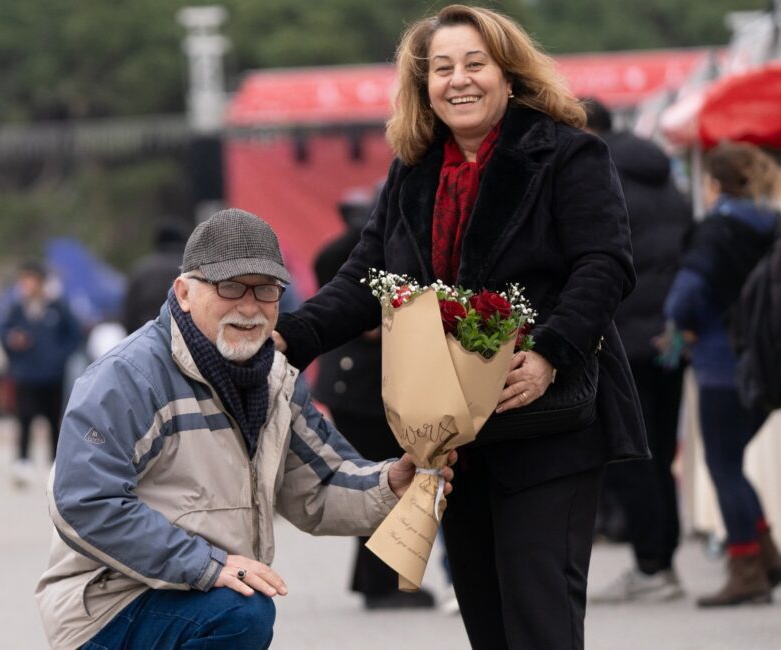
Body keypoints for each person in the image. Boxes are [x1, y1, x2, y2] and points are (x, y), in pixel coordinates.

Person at [271, 6, 647, 648]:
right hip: (454, 440)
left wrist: (551, 352)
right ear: (423, 85)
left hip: (548, 419)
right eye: (441, 68)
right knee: (487, 622)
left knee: (540, 621)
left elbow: (604, 264)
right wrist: (291, 337)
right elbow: (366, 276)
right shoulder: (413, 169)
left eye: (476, 63)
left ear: (508, 74)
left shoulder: (567, 152)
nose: (459, 80)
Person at [34, 208, 455, 650]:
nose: (250, 307)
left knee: (239, 609)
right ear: (183, 292)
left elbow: (322, 485)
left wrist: (391, 484)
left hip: (199, 592)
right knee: (241, 614)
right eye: (231, 287)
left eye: (267, 290)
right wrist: (207, 565)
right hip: (107, 606)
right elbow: (85, 503)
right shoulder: (127, 379)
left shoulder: (276, 380)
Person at [581, 98, 695, 603]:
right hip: (668, 339)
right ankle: (662, 563)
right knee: (662, 449)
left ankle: (650, 562)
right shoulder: (668, 182)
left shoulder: (599, 179)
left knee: (631, 452)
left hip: (624, 339)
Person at [665, 142, 781, 607]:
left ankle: (746, 565)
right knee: (734, 461)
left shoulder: (715, 230)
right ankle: (766, 554)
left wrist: (680, 331)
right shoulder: (772, 225)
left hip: (719, 362)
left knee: (723, 466)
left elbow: (683, 297)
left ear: (713, 184)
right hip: (766, 362)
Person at [313, 188, 436, 610]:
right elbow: (328, 265)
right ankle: (381, 584)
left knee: (381, 478)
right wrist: (368, 316)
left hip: (363, 385)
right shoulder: (376, 235)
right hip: (361, 385)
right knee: (384, 480)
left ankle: (374, 581)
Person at [0, 261, 82, 486]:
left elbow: (74, 334)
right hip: (25, 373)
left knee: (54, 419)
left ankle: (55, 464)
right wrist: (12, 342)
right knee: (24, 418)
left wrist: (59, 356)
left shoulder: (57, 307)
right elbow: (3, 331)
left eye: (30, 279)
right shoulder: (16, 309)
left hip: (52, 375)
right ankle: (23, 462)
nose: (26, 285)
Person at [122, 219, 189, 333]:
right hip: (185, 338)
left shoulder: (140, 271)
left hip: (146, 338)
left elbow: (129, 315)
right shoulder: (191, 270)